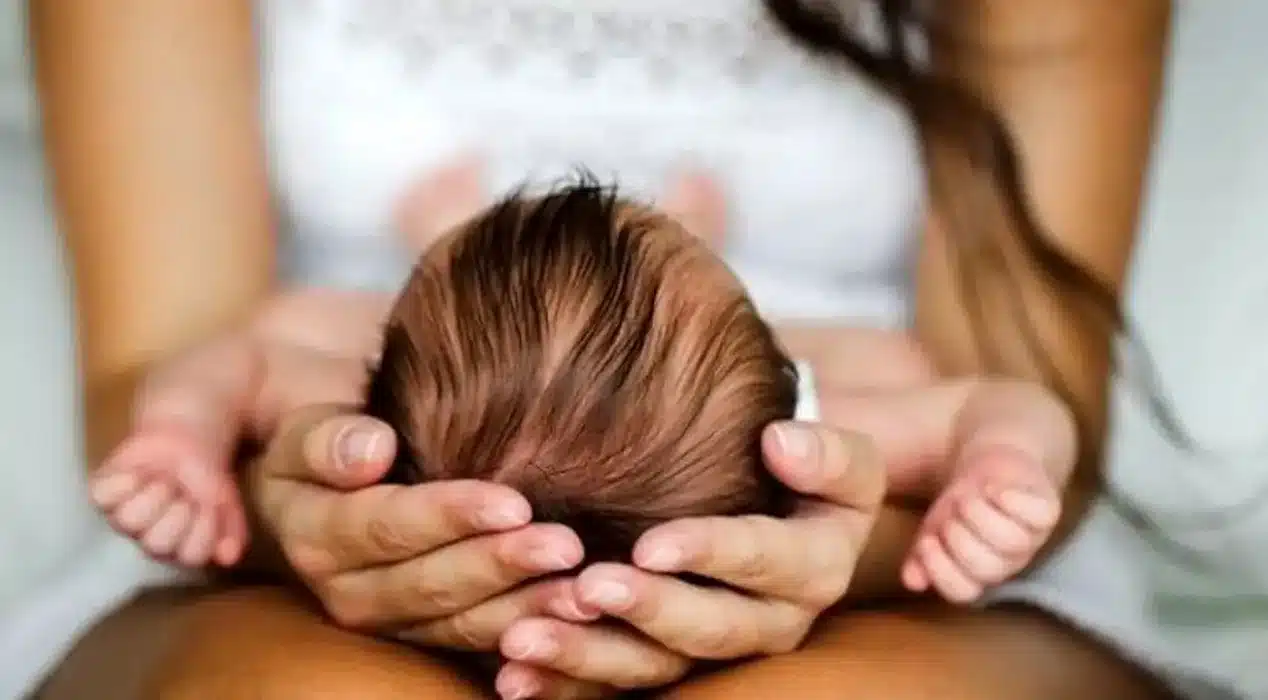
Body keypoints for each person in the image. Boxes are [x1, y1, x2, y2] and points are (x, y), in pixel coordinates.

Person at [24, 0, 1182, 699]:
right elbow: (1003, 411)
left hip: (840, 570)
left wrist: (181, 447)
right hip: (325, 568)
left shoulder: (335, 362)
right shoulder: (832, 407)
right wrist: (993, 484)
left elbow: (217, 371)